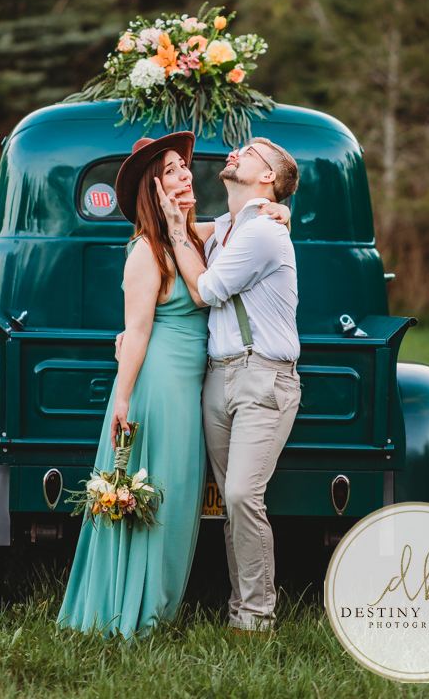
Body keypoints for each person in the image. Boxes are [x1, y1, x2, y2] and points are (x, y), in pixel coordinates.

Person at [57, 132, 290, 637]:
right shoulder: (147, 249)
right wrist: (122, 398)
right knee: (155, 493)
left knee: (180, 498)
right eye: (170, 171)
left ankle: (159, 607)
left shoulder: (199, 234)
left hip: (194, 385)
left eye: (184, 167)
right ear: (154, 190)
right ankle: (131, 611)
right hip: (160, 385)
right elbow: (138, 330)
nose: (184, 175)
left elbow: (242, 223)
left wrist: (278, 211)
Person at [155, 137, 301, 632]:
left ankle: (256, 618)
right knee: (233, 505)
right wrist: (160, 199)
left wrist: (178, 231)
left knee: (241, 495)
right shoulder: (230, 227)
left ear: (268, 179)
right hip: (218, 378)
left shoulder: (261, 232)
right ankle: (241, 611)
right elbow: (171, 235)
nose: (236, 153)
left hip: (263, 377)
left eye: (252, 151)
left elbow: (207, 290)